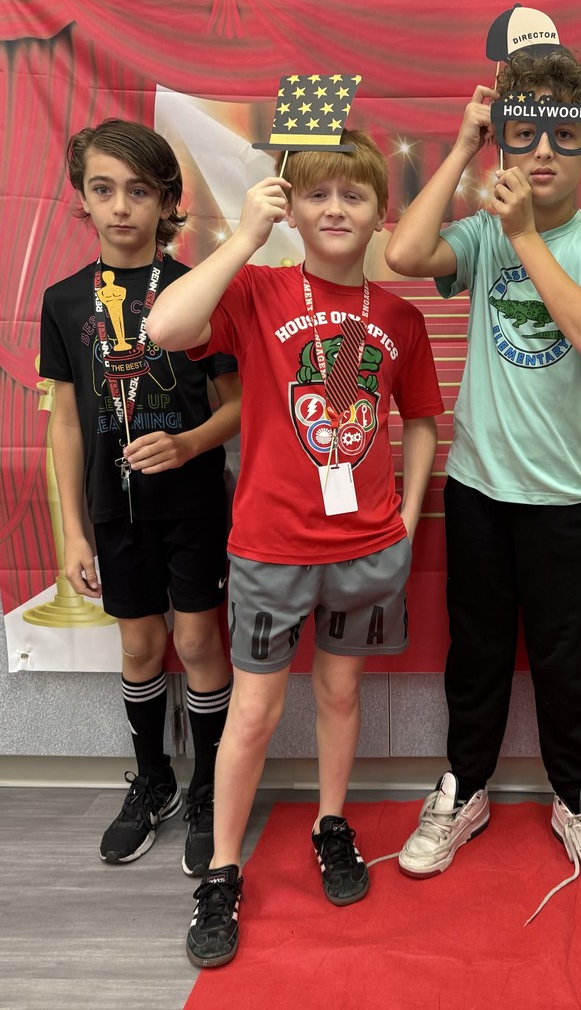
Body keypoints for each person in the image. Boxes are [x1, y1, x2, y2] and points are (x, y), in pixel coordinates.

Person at [146, 129, 442, 967]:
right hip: (272, 546)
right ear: (293, 208)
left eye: (353, 194)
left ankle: (331, 821)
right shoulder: (260, 289)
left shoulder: (399, 317)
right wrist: (243, 234)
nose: (336, 208)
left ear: (382, 214)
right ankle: (224, 870)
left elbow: (420, 423)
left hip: (366, 546)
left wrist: (409, 518)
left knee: (341, 695)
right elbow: (168, 326)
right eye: (317, 194)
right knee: (256, 712)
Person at [384, 48, 581, 899]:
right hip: (478, 486)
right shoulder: (484, 231)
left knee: (564, 659)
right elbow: (403, 257)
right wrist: (459, 147)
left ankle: (578, 795)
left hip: (564, 492)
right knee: (478, 654)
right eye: (521, 137)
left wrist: (526, 231)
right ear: (503, 143)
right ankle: (465, 789)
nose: (541, 156)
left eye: (561, 141)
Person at [39, 119, 240, 877]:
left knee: (196, 643)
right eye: (102, 189)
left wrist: (189, 444)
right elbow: (63, 421)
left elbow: (241, 404)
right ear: (82, 199)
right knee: (138, 645)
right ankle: (153, 780)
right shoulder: (64, 302)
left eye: (139, 190)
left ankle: (209, 786)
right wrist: (73, 535)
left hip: (192, 507)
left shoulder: (197, 290)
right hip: (111, 511)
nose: (121, 206)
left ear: (166, 200)